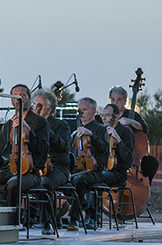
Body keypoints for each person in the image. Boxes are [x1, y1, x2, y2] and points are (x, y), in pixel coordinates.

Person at [0, 84, 49, 207]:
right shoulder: (8, 124)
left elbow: (43, 149)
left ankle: (14, 220)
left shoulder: (40, 122)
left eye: (23, 95)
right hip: (7, 169)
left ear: (29, 99)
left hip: (30, 171)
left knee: (14, 184)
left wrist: (29, 130)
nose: (19, 98)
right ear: (12, 100)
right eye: (15, 96)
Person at [86, 103, 134, 223]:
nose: (103, 118)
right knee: (85, 177)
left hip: (118, 172)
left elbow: (128, 159)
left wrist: (118, 140)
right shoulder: (101, 131)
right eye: (103, 115)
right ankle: (85, 213)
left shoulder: (125, 132)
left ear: (116, 116)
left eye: (107, 115)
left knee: (97, 178)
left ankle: (93, 216)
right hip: (102, 169)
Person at [32, 89, 71, 234]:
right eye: (34, 104)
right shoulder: (32, 125)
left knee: (45, 184)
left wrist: (46, 129)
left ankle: (46, 222)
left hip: (59, 167)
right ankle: (22, 219)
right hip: (37, 165)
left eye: (39, 105)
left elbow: (63, 146)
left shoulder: (61, 125)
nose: (36, 108)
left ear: (49, 109)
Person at [69, 97, 109, 229]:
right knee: (62, 180)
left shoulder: (100, 129)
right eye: (79, 110)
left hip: (95, 171)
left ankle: (74, 219)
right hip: (78, 169)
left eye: (84, 110)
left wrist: (91, 135)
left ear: (93, 111)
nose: (81, 113)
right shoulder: (76, 131)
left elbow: (104, 149)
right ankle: (86, 208)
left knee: (79, 180)